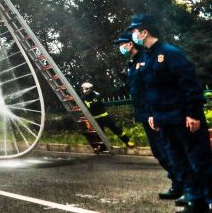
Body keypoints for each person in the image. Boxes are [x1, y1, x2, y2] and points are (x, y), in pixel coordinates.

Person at [129, 14, 212, 213]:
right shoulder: (147, 57)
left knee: (199, 160)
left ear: (144, 32)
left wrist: (192, 113)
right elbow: (150, 91)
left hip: (183, 118)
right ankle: (196, 199)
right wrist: (152, 115)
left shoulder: (170, 53)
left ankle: (210, 197)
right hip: (164, 119)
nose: (133, 35)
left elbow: (190, 84)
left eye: (134, 31)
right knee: (179, 162)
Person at [114, 31, 182, 201]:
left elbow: (153, 89)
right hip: (145, 114)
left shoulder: (145, 59)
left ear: (130, 44)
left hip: (153, 114)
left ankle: (184, 184)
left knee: (167, 150)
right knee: (159, 152)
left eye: (122, 44)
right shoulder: (133, 63)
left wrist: (153, 112)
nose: (120, 48)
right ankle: (179, 183)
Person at [79, 82, 135, 150]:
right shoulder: (82, 98)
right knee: (99, 133)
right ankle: (103, 147)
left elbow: (94, 105)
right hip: (95, 119)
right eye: (83, 89)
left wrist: (92, 104)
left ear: (90, 89)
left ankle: (127, 142)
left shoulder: (96, 95)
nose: (84, 90)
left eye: (86, 89)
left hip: (104, 117)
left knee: (115, 129)